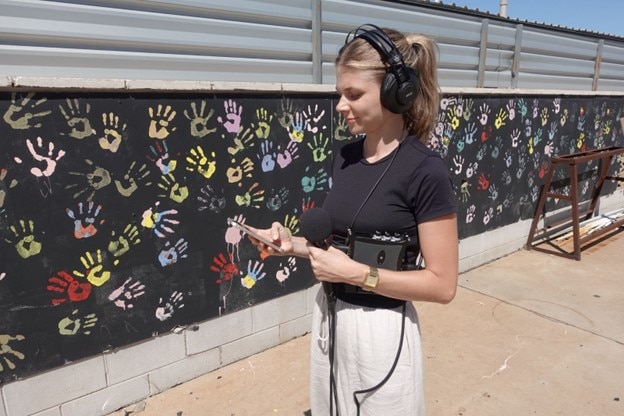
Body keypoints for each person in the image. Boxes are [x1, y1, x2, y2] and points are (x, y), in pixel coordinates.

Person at [247, 23, 458, 416]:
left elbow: (443, 285)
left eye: (353, 94)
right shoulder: (343, 158)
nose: (341, 106)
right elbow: (338, 248)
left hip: (381, 332)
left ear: (398, 92)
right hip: (329, 317)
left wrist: (358, 275)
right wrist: (288, 244)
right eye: (339, 93)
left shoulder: (425, 171)